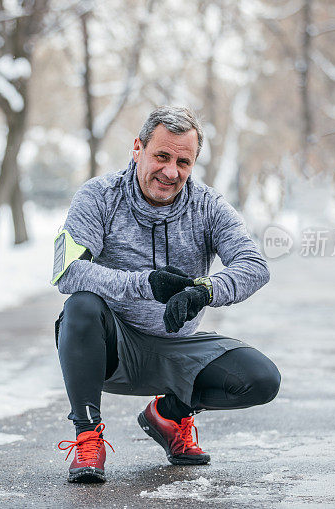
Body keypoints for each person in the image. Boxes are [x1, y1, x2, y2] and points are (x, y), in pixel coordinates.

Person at [51, 105, 280, 483]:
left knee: (261, 378)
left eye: (183, 162)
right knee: (80, 305)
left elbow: (255, 265)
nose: (171, 171)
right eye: (161, 155)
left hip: (178, 350)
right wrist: (144, 283)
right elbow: (67, 272)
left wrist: (204, 291)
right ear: (138, 147)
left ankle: (170, 415)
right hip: (111, 347)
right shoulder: (99, 196)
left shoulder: (208, 206)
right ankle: (88, 436)